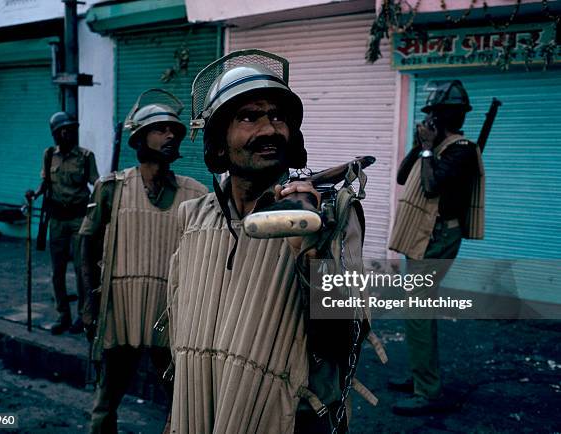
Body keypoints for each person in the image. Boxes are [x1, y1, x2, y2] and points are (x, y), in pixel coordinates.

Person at [166, 50, 373, 434]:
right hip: (200, 408)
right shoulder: (195, 216)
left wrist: (312, 254)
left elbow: (341, 341)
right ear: (218, 140)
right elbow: (181, 330)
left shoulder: (325, 215)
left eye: (278, 117)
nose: (269, 129)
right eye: (249, 117)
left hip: (285, 419)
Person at [78, 89, 208, 434]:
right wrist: (89, 302)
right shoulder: (111, 187)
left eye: (174, 132)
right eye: (160, 130)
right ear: (139, 139)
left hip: (168, 315)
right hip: (120, 311)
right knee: (106, 398)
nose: (170, 136)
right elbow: (87, 245)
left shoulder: (195, 194)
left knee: (182, 397)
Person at [388, 80, 485, 415]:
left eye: (432, 117)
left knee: (418, 311)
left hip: (439, 238)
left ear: (443, 118)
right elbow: (402, 177)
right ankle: (420, 377)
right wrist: (419, 146)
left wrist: (428, 148)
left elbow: (430, 187)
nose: (427, 122)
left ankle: (426, 390)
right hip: (425, 236)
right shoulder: (436, 149)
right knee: (417, 313)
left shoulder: (462, 151)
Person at [26, 111, 99, 335]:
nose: (66, 133)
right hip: (57, 220)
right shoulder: (49, 156)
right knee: (57, 271)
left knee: (81, 269)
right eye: (61, 131)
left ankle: (82, 315)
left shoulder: (85, 156)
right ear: (54, 134)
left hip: (78, 219)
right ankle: (63, 315)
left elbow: (96, 184)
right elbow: (45, 184)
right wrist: (34, 195)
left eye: (70, 129)